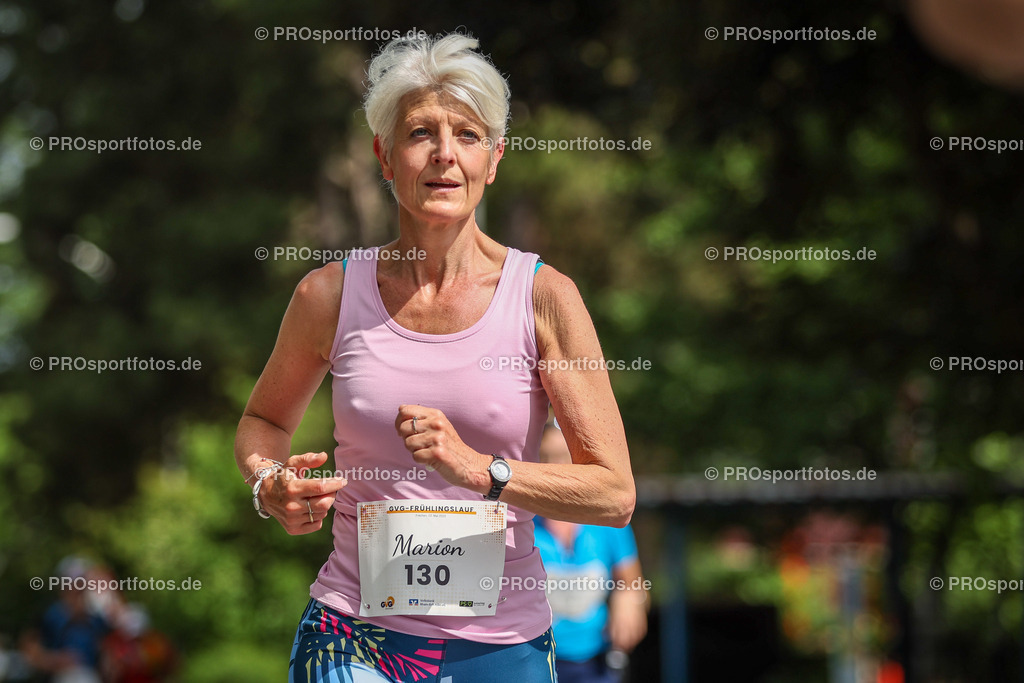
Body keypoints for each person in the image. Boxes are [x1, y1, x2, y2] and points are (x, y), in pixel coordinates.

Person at [234, 31, 635, 683]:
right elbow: (263, 422)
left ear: (494, 159)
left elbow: (614, 493)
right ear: (384, 156)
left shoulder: (544, 297)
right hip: (352, 634)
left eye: (468, 135)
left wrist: (480, 470)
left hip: (502, 644)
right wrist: (268, 481)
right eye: (421, 132)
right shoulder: (328, 295)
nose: (445, 154)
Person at [535, 425, 648, 683]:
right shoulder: (520, 524)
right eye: (544, 458)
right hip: (535, 659)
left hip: (597, 661)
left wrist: (631, 599)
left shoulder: (607, 521)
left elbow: (633, 584)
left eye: (563, 456)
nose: (554, 467)